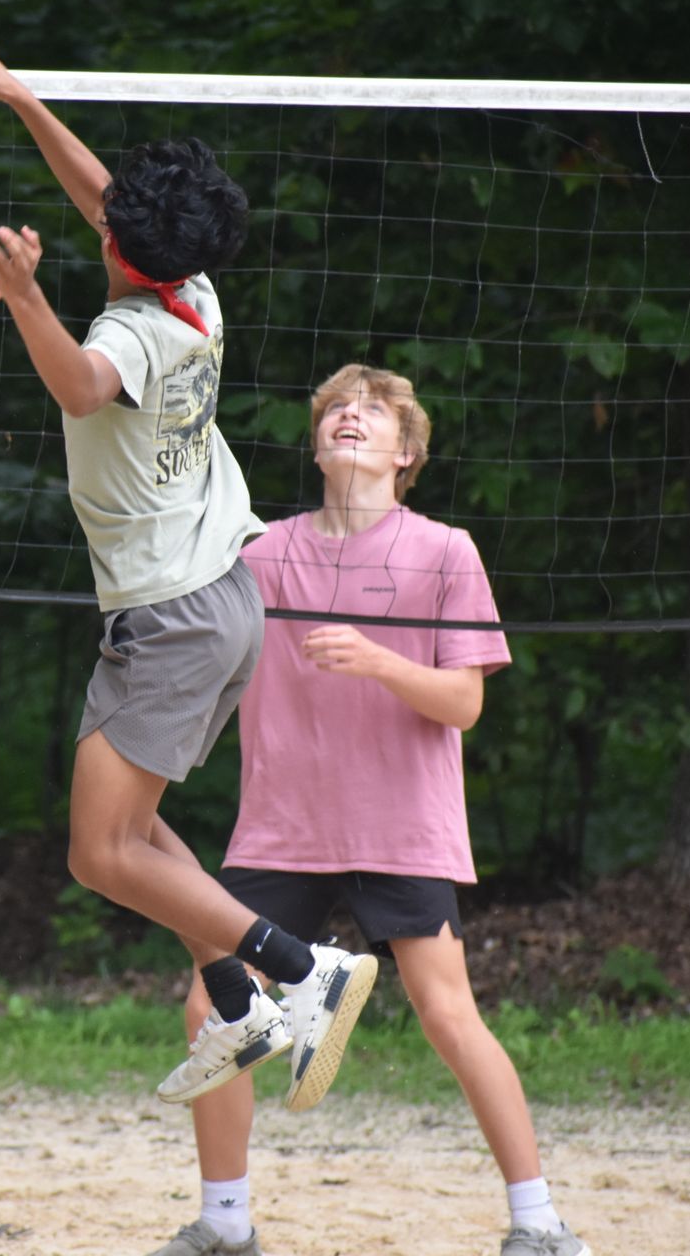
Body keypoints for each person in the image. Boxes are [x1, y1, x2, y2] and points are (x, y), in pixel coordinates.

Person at [0, 48, 377, 1110]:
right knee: (132, 835)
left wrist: (25, 293)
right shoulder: (194, 290)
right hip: (215, 595)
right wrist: (19, 95)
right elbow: (108, 202)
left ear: (118, 252)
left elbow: (81, 389)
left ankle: (307, 967)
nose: (101, 214)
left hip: (170, 615)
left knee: (97, 852)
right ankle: (237, 996)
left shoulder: (127, 331)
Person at [150, 364, 590, 1256]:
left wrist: (378, 660)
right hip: (284, 826)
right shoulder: (257, 553)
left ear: (408, 453)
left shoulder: (445, 550)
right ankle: (226, 1226)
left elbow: (464, 705)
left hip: (401, 826)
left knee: (446, 1013)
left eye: (376, 411)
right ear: (316, 444)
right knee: (213, 1009)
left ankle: (539, 1224)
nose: (352, 416)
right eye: (337, 410)